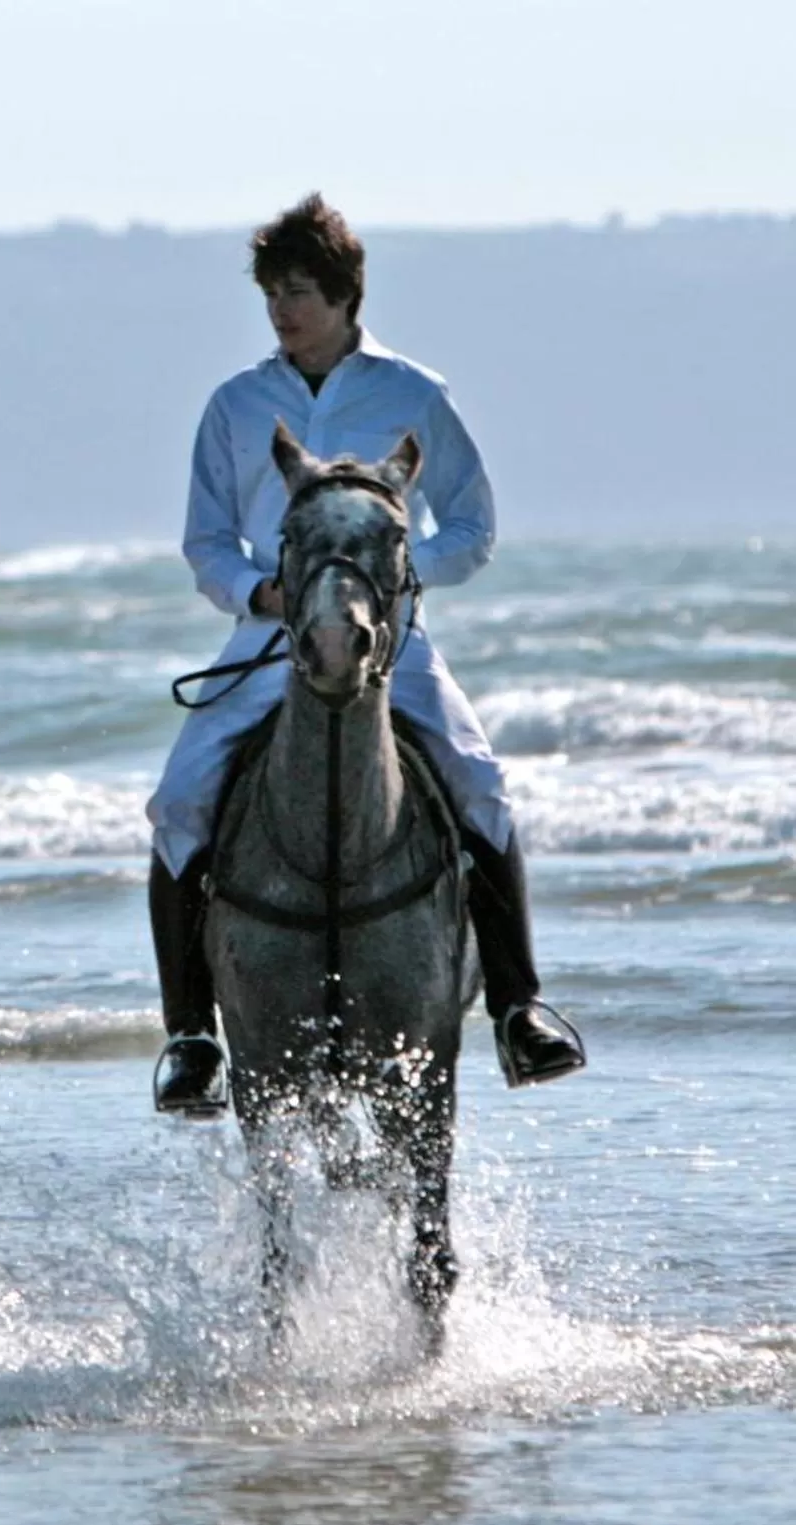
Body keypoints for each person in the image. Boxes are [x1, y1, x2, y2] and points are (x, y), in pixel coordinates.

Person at [146, 194, 587, 1114]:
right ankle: (191, 1036)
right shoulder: (234, 406)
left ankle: (517, 1009)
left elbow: (471, 527)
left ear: (346, 296)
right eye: (272, 292)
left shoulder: (412, 394)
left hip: (394, 637)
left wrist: (396, 579)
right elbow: (206, 546)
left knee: (477, 780)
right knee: (179, 801)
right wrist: (257, 593)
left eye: (299, 291)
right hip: (269, 639)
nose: (281, 310)